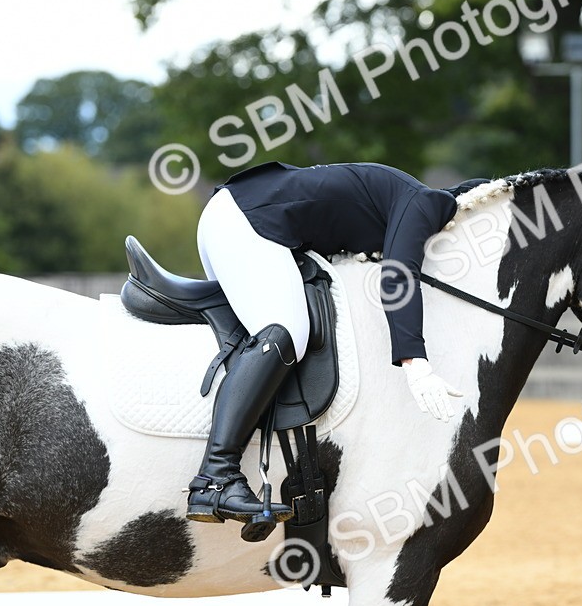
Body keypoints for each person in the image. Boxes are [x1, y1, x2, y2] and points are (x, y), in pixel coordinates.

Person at [186, 160, 471, 525]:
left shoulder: (398, 194)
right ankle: (216, 477)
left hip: (236, 215)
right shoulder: (425, 202)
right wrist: (415, 362)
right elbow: (398, 276)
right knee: (286, 329)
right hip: (246, 221)